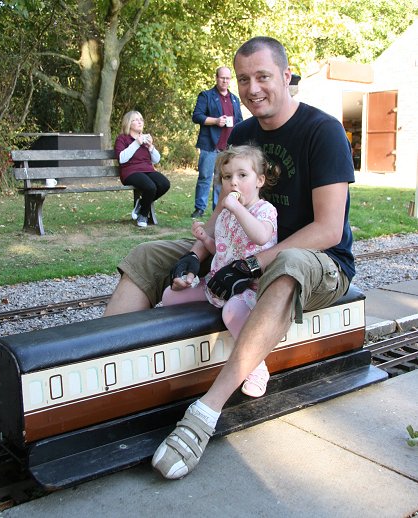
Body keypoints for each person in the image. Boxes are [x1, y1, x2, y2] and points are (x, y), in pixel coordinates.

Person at [104, 36, 355, 480]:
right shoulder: (241, 133)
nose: (252, 88)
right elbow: (224, 209)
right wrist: (197, 253)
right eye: (243, 79)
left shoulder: (323, 131)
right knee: (147, 254)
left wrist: (254, 264)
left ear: (286, 75)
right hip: (238, 250)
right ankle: (110, 373)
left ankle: (204, 414)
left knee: (287, 265)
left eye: (262, 76)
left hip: (319, 260)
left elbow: (328, 229)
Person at [162, 145, 278, 397]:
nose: (233, 183)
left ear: (260, 180)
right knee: (170, 296)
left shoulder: (264, 210)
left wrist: (236, 209)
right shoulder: (225, 215)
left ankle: (257, 366)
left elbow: (261, 237)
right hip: (218, 283)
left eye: (242, 176)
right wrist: (205, 239)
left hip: (248, 288)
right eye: (227, 177)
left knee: (232, 311)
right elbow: (224, 250)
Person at [190, 67, 243, 218]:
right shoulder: (206, 95)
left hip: (228, 146)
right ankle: (199, 208)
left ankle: (218, 208)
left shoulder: (235, 99)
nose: (225, 81)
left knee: (222, 179)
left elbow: (239, 121)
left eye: (227, 78)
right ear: (216, 78)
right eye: (222, 78)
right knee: (205, 177)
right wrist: (216, 121)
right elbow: (197, 116)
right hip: (209, 144)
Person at [114, 111, 170, 228]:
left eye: (141, 119)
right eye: (136, 119)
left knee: (164, 184)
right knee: (150, 187)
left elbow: (156, 160)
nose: (140, 122)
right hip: (130, 172)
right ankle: (143, 215)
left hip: (147, 170)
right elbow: (121, 159)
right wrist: (136, 143)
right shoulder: (122, 139)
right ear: (128, 123)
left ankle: (140, 204)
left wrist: (151, 147)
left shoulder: (145, 139)